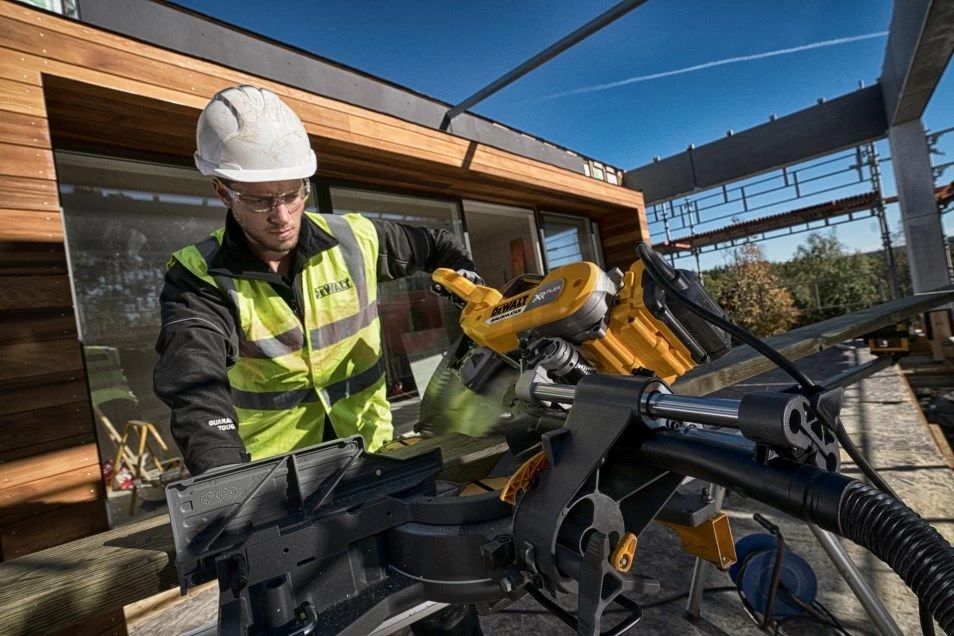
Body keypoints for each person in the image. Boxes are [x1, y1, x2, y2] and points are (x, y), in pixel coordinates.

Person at [154, 85, 482, 475]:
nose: (282, 216)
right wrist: (224, 476)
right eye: (260, 200)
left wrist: (470, 283)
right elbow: (194, 376)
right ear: (223, 192)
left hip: (374, 452)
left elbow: (437, 244)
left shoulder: (355, 239)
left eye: (293, 194)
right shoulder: (198, 277)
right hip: (277, 477)